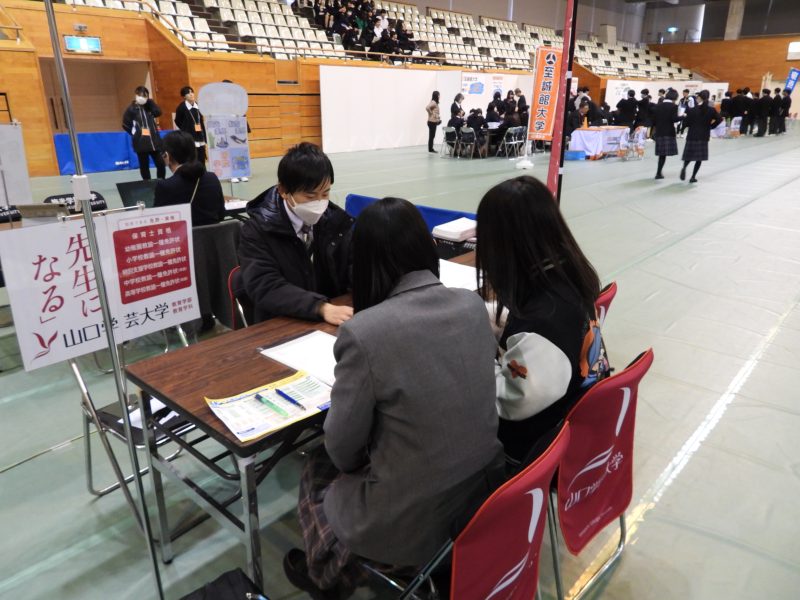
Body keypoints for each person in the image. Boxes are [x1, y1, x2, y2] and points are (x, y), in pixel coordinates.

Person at [284, 197, 505, 598]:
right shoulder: (472, 306)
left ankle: (326, 575)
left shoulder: (366, 332)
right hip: (482, 498)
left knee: (316, 467)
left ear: (363, 262)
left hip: (414, 523)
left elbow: (342, 450)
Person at [475, 176, 602, 464]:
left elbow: (510, 401)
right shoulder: (569, 278)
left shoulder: (543, 324)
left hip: (532, 451)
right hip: (569, 421)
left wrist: (470, 359)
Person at [238, 142, 354, 325]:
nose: (319, 203)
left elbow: (352, 266)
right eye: (310, 196)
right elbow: (265, 286)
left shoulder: (335, 221)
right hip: (281, 322)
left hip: (334, 317)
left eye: (325, 194)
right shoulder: (256, 230)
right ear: (284, 191)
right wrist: (320, 307)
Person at [154, 131, 225, 226]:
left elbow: (158, 224)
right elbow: (221, 214)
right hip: (213, 239)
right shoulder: (212, 178)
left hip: (184, 239)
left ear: (166, 155)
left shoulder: (164, 186)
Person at [122, 86, 166, 181]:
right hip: (140, 143)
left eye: (144, 95)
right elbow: (125, 124)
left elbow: (158, 112)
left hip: (154, 142)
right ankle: (147, 183)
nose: (142, 97)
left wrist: (150, 102)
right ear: (136, 95)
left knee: (161, 164)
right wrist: (135, 134)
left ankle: (161, 181)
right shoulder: (131, 109)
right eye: (140, 95)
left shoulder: (149, 107)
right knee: (144, 165)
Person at [680, 90, 722, 184]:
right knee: (699, 158)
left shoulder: (692, 110)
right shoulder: (711, 110)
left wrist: (685, 127)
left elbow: (686, 122)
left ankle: (684, 167)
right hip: (703, 136)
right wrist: (711, 126)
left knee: (689, 155)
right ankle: (693, 177)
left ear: (699, 98)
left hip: (692, 135)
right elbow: (719, 119)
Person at [174, 86, 208, 163]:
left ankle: (202, 173)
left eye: (192, 92)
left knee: (202, 158)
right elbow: (177, 121)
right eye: (188, 93)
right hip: (189, 137)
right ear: (184, 96)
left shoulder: (198, 106)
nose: (191, 94)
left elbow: (201, 121)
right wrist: (185, 129)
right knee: (192, 159)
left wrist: (204, 137)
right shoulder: (181, 107)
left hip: (200, 136)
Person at [653, 88, 681, 180]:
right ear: (674, 97)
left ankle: (658, 172)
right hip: (668, 131)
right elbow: (674, 119)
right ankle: (658, 173)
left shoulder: (658, 106)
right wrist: (683, 117)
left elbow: (655, 119)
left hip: (659, 131)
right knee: (663, 154)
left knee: (661, 154)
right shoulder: (674, 106)